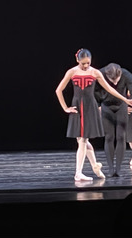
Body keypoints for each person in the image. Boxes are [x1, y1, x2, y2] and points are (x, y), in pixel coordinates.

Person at [55, 48, 132, 181]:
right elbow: (59, 90)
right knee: (81, 140)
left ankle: (78, 173)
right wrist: (65, 108)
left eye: (88, 63)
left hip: (90, 108)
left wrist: (125, 100)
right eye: (83, 63)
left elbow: (109, 89)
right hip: (78, 108)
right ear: (77, 60)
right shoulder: (72, 72)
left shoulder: (95, 72)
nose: (85, 66)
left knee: (83, 140)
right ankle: (95, 165)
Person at [94, 63, 132, 177]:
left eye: (117, 80)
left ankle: (118, 169)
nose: (115, 83)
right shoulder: (100, 74)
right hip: (106, 107)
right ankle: (111, 168)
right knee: (109, 137)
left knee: (121, 137)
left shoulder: (126, 75)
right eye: (112, 80)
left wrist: (130, 104)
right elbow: (93, 91)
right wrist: (98, 105)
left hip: (121, 107)